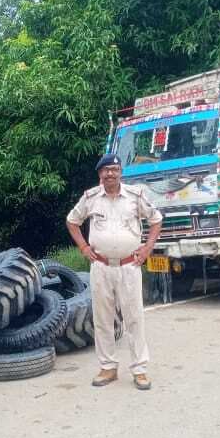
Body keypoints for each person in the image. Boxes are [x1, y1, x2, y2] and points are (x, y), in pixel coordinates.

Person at [66, 154, 163, 390]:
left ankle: (139, 370)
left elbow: (156, 220)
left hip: (129, 266)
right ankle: (108, 367)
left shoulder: (135, 195)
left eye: (114, 169)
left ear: (120, 172)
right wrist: (84, 247)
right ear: (100, 174)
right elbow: (72, 221)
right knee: (102, 320)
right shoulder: (90, 197)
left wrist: (148, 248)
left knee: (134, 319)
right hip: (101, 267)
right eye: (105, 170)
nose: (110, 173)